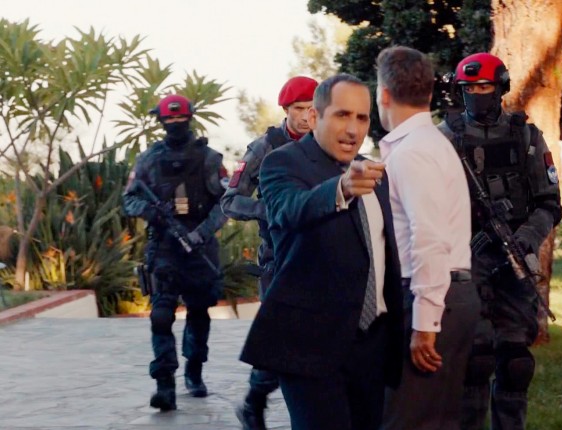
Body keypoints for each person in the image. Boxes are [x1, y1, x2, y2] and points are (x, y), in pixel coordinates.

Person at [239, 73, 404, 430]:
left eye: (362, 118)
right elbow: (290, 210)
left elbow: (383, 254)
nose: (353, 129)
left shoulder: (375, 174)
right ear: (315, 117)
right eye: (342, 115)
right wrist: (340, 189)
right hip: (309, 345)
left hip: (371, 345)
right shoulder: (282, 163)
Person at [438, 53, 562, 430]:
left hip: (514, 261)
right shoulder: (443, 138)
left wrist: (526, 237)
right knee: (474, 360)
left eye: (485, 87)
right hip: (465, 261)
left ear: (500, 88)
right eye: (470, 88)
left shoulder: (526, 135)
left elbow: (550, 204)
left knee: (516, 363)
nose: (477, 95)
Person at [374, 46, 481, 430]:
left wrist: (424, 324)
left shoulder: (412, 152)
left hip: (430, 297)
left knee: (406, 422)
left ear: (384, 94)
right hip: (446, 294)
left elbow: (429, 238)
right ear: (430, 93)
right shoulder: (430, 143)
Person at [220, 75, 318, 430]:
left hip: (321, 254)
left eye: (312, 109)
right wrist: (272, 210)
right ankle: (255, 401)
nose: (306, 116)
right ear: (286, 110)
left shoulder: (327, 142)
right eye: (299, 109)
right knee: (282, 338)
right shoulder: (265, 147)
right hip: (279, 258)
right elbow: (230, 201)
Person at [122, 94, 228, 411]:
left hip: (199, 246)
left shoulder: (209, 159)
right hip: (164, 246)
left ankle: (194, 371)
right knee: (160, 315)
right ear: (160, 121)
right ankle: (164, 384)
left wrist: (201, 233)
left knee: (199, 313)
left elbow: (225, 203)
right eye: (168, 120)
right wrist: (152, 213)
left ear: (190, 118)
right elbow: (129, 199)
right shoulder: (148, 160)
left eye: (179, 119)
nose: (174, 124)